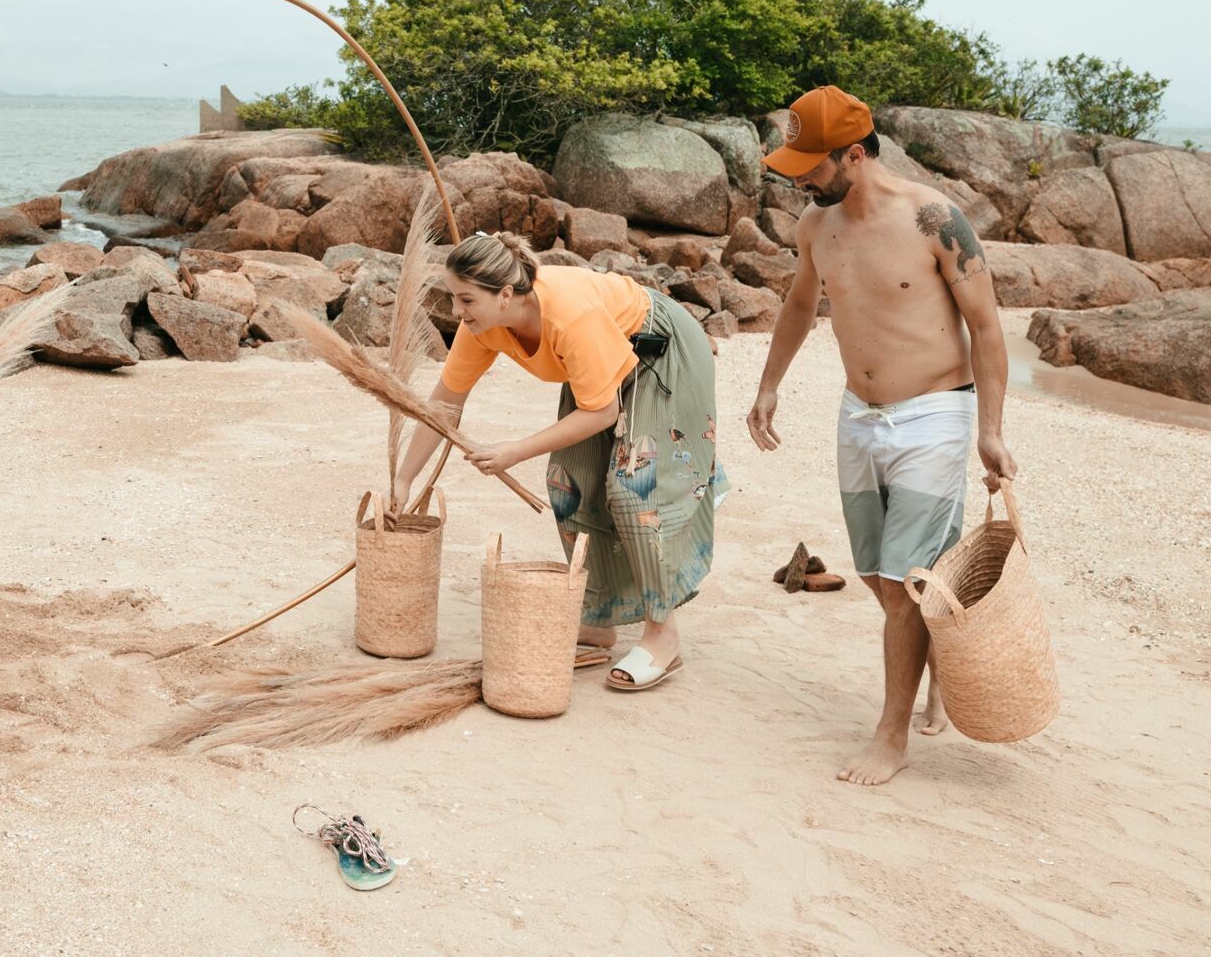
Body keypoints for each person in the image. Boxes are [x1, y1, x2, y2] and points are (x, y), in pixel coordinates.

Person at [747, 84, 1017, 785]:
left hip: (935, 413)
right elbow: (802, 305)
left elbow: (987, 329)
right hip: (857, 413)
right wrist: (769, 384)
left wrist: (990, 430)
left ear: (855, 155)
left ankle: (891, 737)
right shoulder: (817, 226)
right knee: (878, 574)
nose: (798, 177)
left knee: (901, 585)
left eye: (811, 164)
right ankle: (931, 659)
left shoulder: (936, 220)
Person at [393, 232, 726, 691]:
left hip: (660, 351)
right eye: (453, 298)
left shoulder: (571, 316)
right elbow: (446, 402)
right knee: (569, 480)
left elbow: (604, 412)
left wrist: (513, 451)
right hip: (597, 371)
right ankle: (597, 619)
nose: (456, 312)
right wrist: (404, 479)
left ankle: (662, 636)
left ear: (506, 294)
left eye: (465, 299)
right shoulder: (482, 327)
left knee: (635, 486)